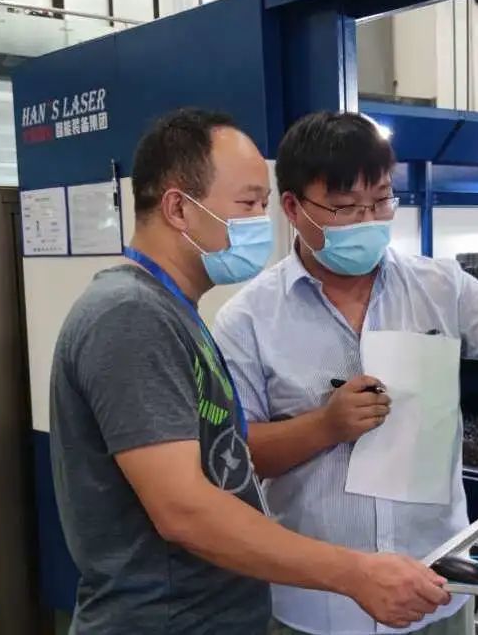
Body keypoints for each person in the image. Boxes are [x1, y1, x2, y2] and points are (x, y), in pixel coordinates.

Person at [50, 108, 450, 635]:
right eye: (248, 204)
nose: (262, 221)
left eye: (263, 204)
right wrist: (355, 572)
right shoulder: (130, 315)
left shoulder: (173, 315)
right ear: (178, 208)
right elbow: (183, 510)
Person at [213, 111, 478, 635]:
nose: (368, 221)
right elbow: (237, 456)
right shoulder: (247, 319)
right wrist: (325, 426)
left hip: (436, 592)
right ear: (293, 207)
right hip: (319, 609)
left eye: (381, 201)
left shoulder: (441, 286)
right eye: (344, 207)